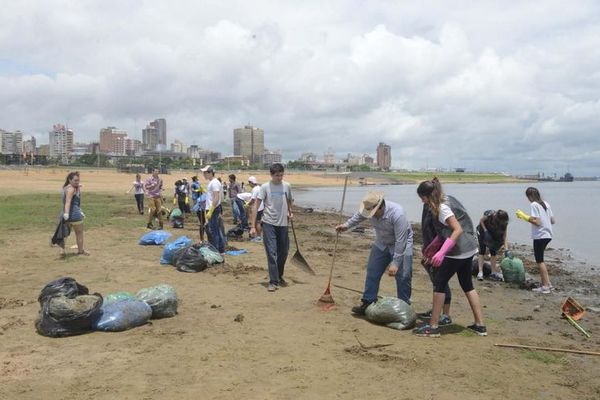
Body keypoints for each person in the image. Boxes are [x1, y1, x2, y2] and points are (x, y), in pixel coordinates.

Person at [414, 178, 486, 337]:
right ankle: (480, 325)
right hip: (469, 249)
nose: (421, 201)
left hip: (458, 251)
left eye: (422, 197)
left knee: (439, 285)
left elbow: (457, 229)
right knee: (467, 285)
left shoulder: (442, 207)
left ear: (428, 196)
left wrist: (441, 252)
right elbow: (442, 232)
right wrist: (432, 249)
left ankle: (432, 327)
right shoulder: (445, 200)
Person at [335, 191, 413, 314]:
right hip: (381, 243)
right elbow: (358, 216)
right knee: (372, 272)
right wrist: (346, 226)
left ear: (380, 206)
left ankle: (404, 307)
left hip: (401, 245)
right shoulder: (368, 209)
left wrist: (396, 263)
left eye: (372, 212)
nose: (370, 215)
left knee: (403, 277)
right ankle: (368, 301)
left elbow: (401, 240)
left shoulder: (398, 214)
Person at [250, 163, 293, 292]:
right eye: (276, 175)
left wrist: (291, 211)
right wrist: (252, 226)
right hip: (268, 223)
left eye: (281, 175)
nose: (279, 178)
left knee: (284, 252)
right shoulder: (265, 187)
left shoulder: (287, 186)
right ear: (271, 175)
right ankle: (273, 281)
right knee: (271, 252)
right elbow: (256, 206)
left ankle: (279, 276)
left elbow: (290, 200)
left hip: (283, 224)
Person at [516, 187, 556, 294]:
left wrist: (524, 216)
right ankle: (548, 283)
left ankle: (545, 286)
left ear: (529, 196)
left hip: (540, 236)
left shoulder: (534, 204)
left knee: (540, 261)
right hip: (548, 234)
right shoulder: (546, 204)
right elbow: (552, 221)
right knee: (541, 260)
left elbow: (537, 222)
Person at [58, 171, 89, 257]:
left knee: (65, 234)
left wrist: (65, 214)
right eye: (75, 180)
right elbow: (68, 202)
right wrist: (68, 213)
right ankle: (80, 251)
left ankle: (62, 251)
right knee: (79, 233)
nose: (77, 182)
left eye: (78, 180)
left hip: (64, 213)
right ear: (70, 180)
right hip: (74, 215)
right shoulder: (72, 189)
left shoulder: (66, 187)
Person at [476, 209, 510, 281]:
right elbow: (481, 221)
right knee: (482, 250)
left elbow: (504, 236)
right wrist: (485, 231)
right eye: (502, 221)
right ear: (497, 218)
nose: (503, 222)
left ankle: (493, 272)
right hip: (482, 231)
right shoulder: (490, 215)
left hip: (492, 234)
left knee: (493, 252)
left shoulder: (504, 223)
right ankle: (480, 272)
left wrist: (506, 249)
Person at [202, 165, 226, 253]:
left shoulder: (215, 182)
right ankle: (219, 250)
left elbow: (216, 197)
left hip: (213, 209)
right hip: (211, 209)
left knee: (214, 231)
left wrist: (211, 210)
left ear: (210, 173)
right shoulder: (211, 182)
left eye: (205, 173)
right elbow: (212, 196)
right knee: (215, 230)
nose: (203, 174)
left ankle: (216, 251)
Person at [247, 176, 264, 242]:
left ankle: (259, 237)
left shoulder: (255, 189)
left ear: (251, 182)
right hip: (261, 207)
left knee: (257, 222)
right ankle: (258, 236)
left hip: (257, 208)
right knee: (258, 222)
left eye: (249, 183)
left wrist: (247, 204)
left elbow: (253, 200)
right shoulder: (259, 188)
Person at [190, 175, 207, 242]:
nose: (198, 179)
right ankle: (202, 238)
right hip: (198, 204)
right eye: (197, 178)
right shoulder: (193, 184)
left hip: (200, 202)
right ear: (195, 179)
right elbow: (192, 190)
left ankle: (202, 238)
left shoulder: (198, 184)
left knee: (203, 223)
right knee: (202, 223)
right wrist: (196, 190)